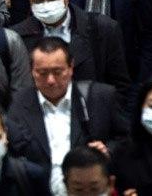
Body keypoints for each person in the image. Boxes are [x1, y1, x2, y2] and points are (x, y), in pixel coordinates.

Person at [7, 37, 128, 194]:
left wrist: (108, 150)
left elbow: (125, 139)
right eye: (42, 73)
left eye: (57, 72)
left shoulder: (100, 97)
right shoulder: (15, 104)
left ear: (71, 68)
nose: (50, 80)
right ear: (32, 71)